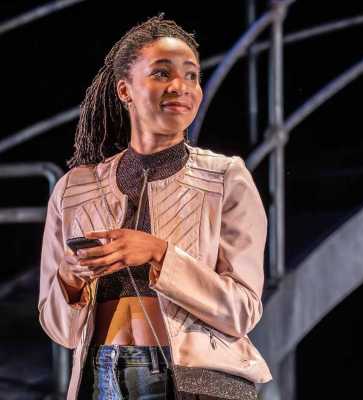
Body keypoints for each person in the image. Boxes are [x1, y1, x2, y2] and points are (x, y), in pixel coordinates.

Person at [38, 14, 272, 400]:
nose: (181, 86)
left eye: (192, 75)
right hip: (103, 378)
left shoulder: (225, 177)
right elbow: (60, 330)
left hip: (198, 381)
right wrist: (69, 279)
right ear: (125, 90)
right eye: (162, 73)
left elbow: (242, 310)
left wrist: (159, 254)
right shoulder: (74, 190)